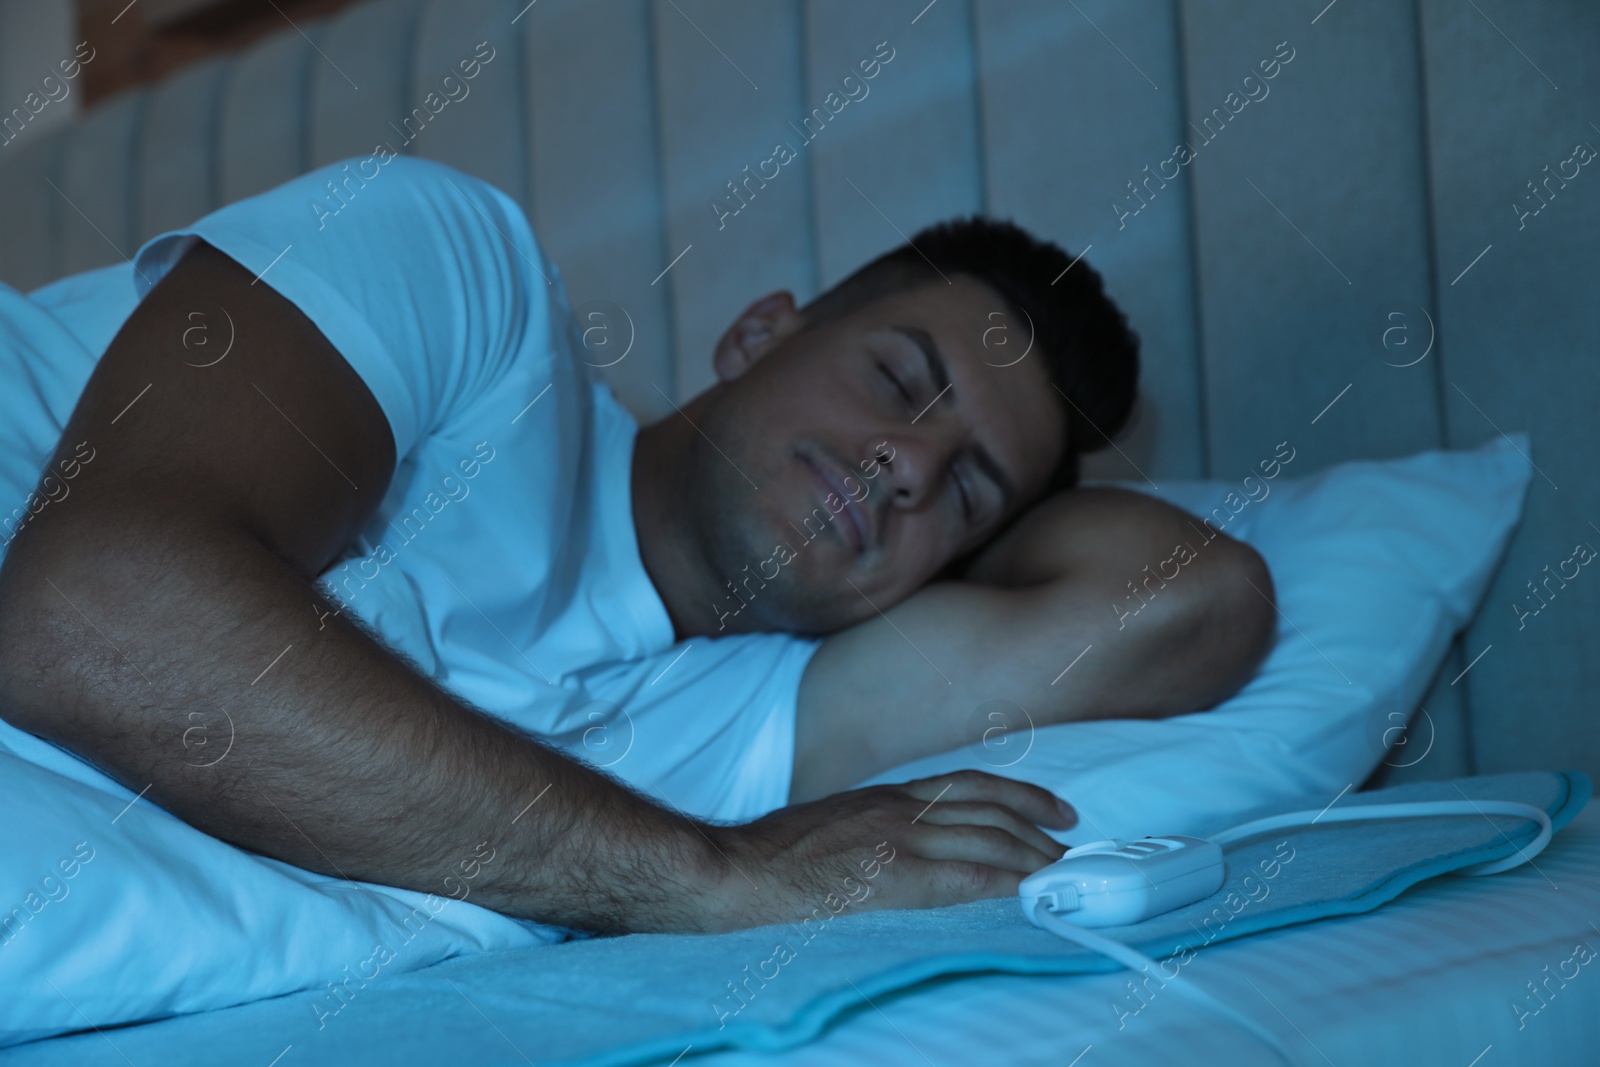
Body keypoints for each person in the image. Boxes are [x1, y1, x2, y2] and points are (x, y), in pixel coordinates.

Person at [0, 155, 1273, 937]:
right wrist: (709, 879)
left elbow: (1194, 598)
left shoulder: (728, 722)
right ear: (759, 329)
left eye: (968, 489)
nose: (909, 462)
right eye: (899, 379)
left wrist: (953, 511)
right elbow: (91, 612)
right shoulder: (467, 283)